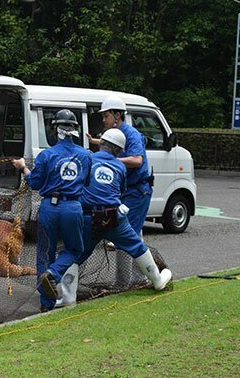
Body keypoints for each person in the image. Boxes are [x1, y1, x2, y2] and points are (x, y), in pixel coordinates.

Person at [54, 128, 173, 307]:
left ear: (101, 143)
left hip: (88, 216)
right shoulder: (119, 166)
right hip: (113, 215)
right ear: (119, 150)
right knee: (136, 246)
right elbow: (120, 190)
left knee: (75, 253)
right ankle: (157, 280)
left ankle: (68, 298)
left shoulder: (87, 159)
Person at [12, 109, 91, 312]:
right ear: (74, 130)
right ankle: (53, 274)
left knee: (45, 254)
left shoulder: (47, 155)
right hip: (73, 207)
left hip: (49, 208)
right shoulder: (85, 155)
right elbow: (87, 182)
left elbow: (35, 182)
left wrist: (23, 167)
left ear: (55, 129)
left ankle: (47, 302)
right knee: (74, 249)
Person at [88, 96, 152, 236]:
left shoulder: (132, 134)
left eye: (106, 116)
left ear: (117, 115)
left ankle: (137, 256)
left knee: (127, 236)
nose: (103, 120)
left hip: (137, 191)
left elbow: (137, 160)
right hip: (125, 190)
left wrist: (112, 161)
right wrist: (94, 141)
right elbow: (112, 143)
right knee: (126, 234)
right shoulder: (114, 133)